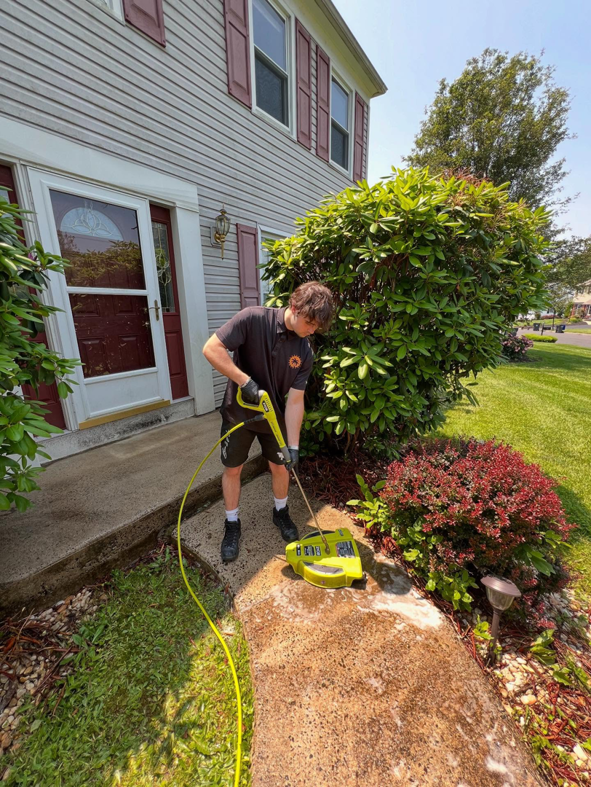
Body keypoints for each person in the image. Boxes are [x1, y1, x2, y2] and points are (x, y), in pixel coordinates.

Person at [202, 281, 334, 562]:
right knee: (233, 469)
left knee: (281, 466)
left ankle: (281, 513)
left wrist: (294, 446)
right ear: (294, 308)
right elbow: (211, 349)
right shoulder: (252, 318)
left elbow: (296, 401)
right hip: (238, 414)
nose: (311, 330)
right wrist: (244, 381)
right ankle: (232, 523)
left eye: (316, 327)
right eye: (309, 322)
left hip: (273, 419)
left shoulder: (305, 352)